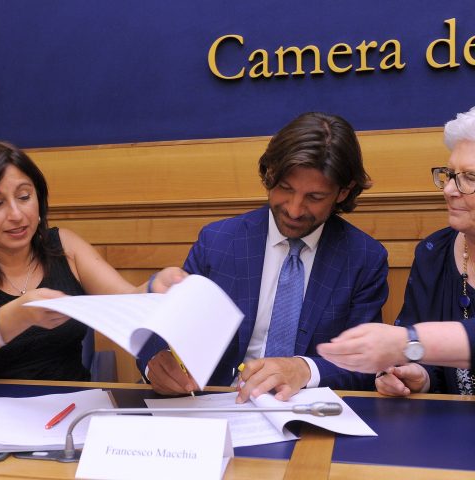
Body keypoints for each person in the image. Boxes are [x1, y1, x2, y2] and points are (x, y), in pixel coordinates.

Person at [138, 111, 389, 401]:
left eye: (314, 197)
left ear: (342, 193)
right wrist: (154, 362)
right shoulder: (218, 241)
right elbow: (163, 329)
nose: (294, 210)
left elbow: (366, 363)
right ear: (269, 175)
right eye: (285, 189)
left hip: (307, 415)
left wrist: (303, 369)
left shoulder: (364, 258)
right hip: (213, 407)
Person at [317, 106, 475, 396]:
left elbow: (411, 340)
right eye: (450, 174)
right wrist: (415, 376)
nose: (449, 190)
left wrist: (407, 341)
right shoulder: (433, 253)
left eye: (470, 178)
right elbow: (428, 368)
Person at [0, 141, 186, 380]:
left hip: (73, 407)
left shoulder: (65, 247)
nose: (16, 215)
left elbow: (124, 301)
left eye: (24, 196)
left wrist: (152, 288)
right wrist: (16, 316)